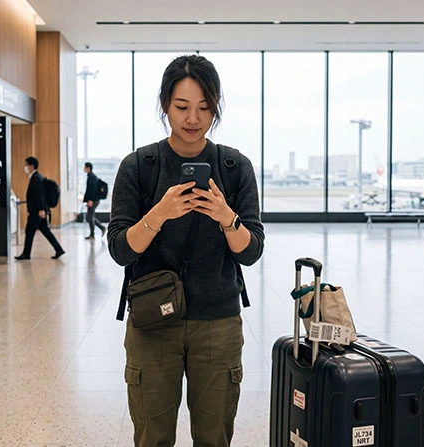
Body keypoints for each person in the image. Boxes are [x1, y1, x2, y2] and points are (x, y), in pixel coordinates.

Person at [107, 55, 264, 446]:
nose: (193, 118)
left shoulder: (234, 166)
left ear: (216, 106)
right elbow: (120, 250)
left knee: (214, 438)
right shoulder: (138, 166)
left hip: (218, 322)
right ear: (164, 104)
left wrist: (227, 218)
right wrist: (158, 214)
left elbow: (252, 251)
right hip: (152, 322)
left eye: (204, 107)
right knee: (152, 437)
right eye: (181, 107)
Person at [15, 157, 65, 260]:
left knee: (29, 231)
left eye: (26, 165)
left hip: (37, 211)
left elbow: (39, 195)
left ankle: (26, 253)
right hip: (38, 210)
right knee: (45, 230)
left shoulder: (36, 178)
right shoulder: (37, 177)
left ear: (31, 166)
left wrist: (42, 209)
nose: (25, 167)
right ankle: (58, 249)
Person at [83, 162, 107, 240]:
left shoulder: (92, 177)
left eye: (85, 167)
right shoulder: (91, 176)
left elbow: (92, 190)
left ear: (88, 168)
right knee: (90, 216)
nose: (84, 169)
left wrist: (90, 200)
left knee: (89, 217)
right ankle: (101, 228)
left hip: (93, 200)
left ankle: (93, 234)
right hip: (94, 200)